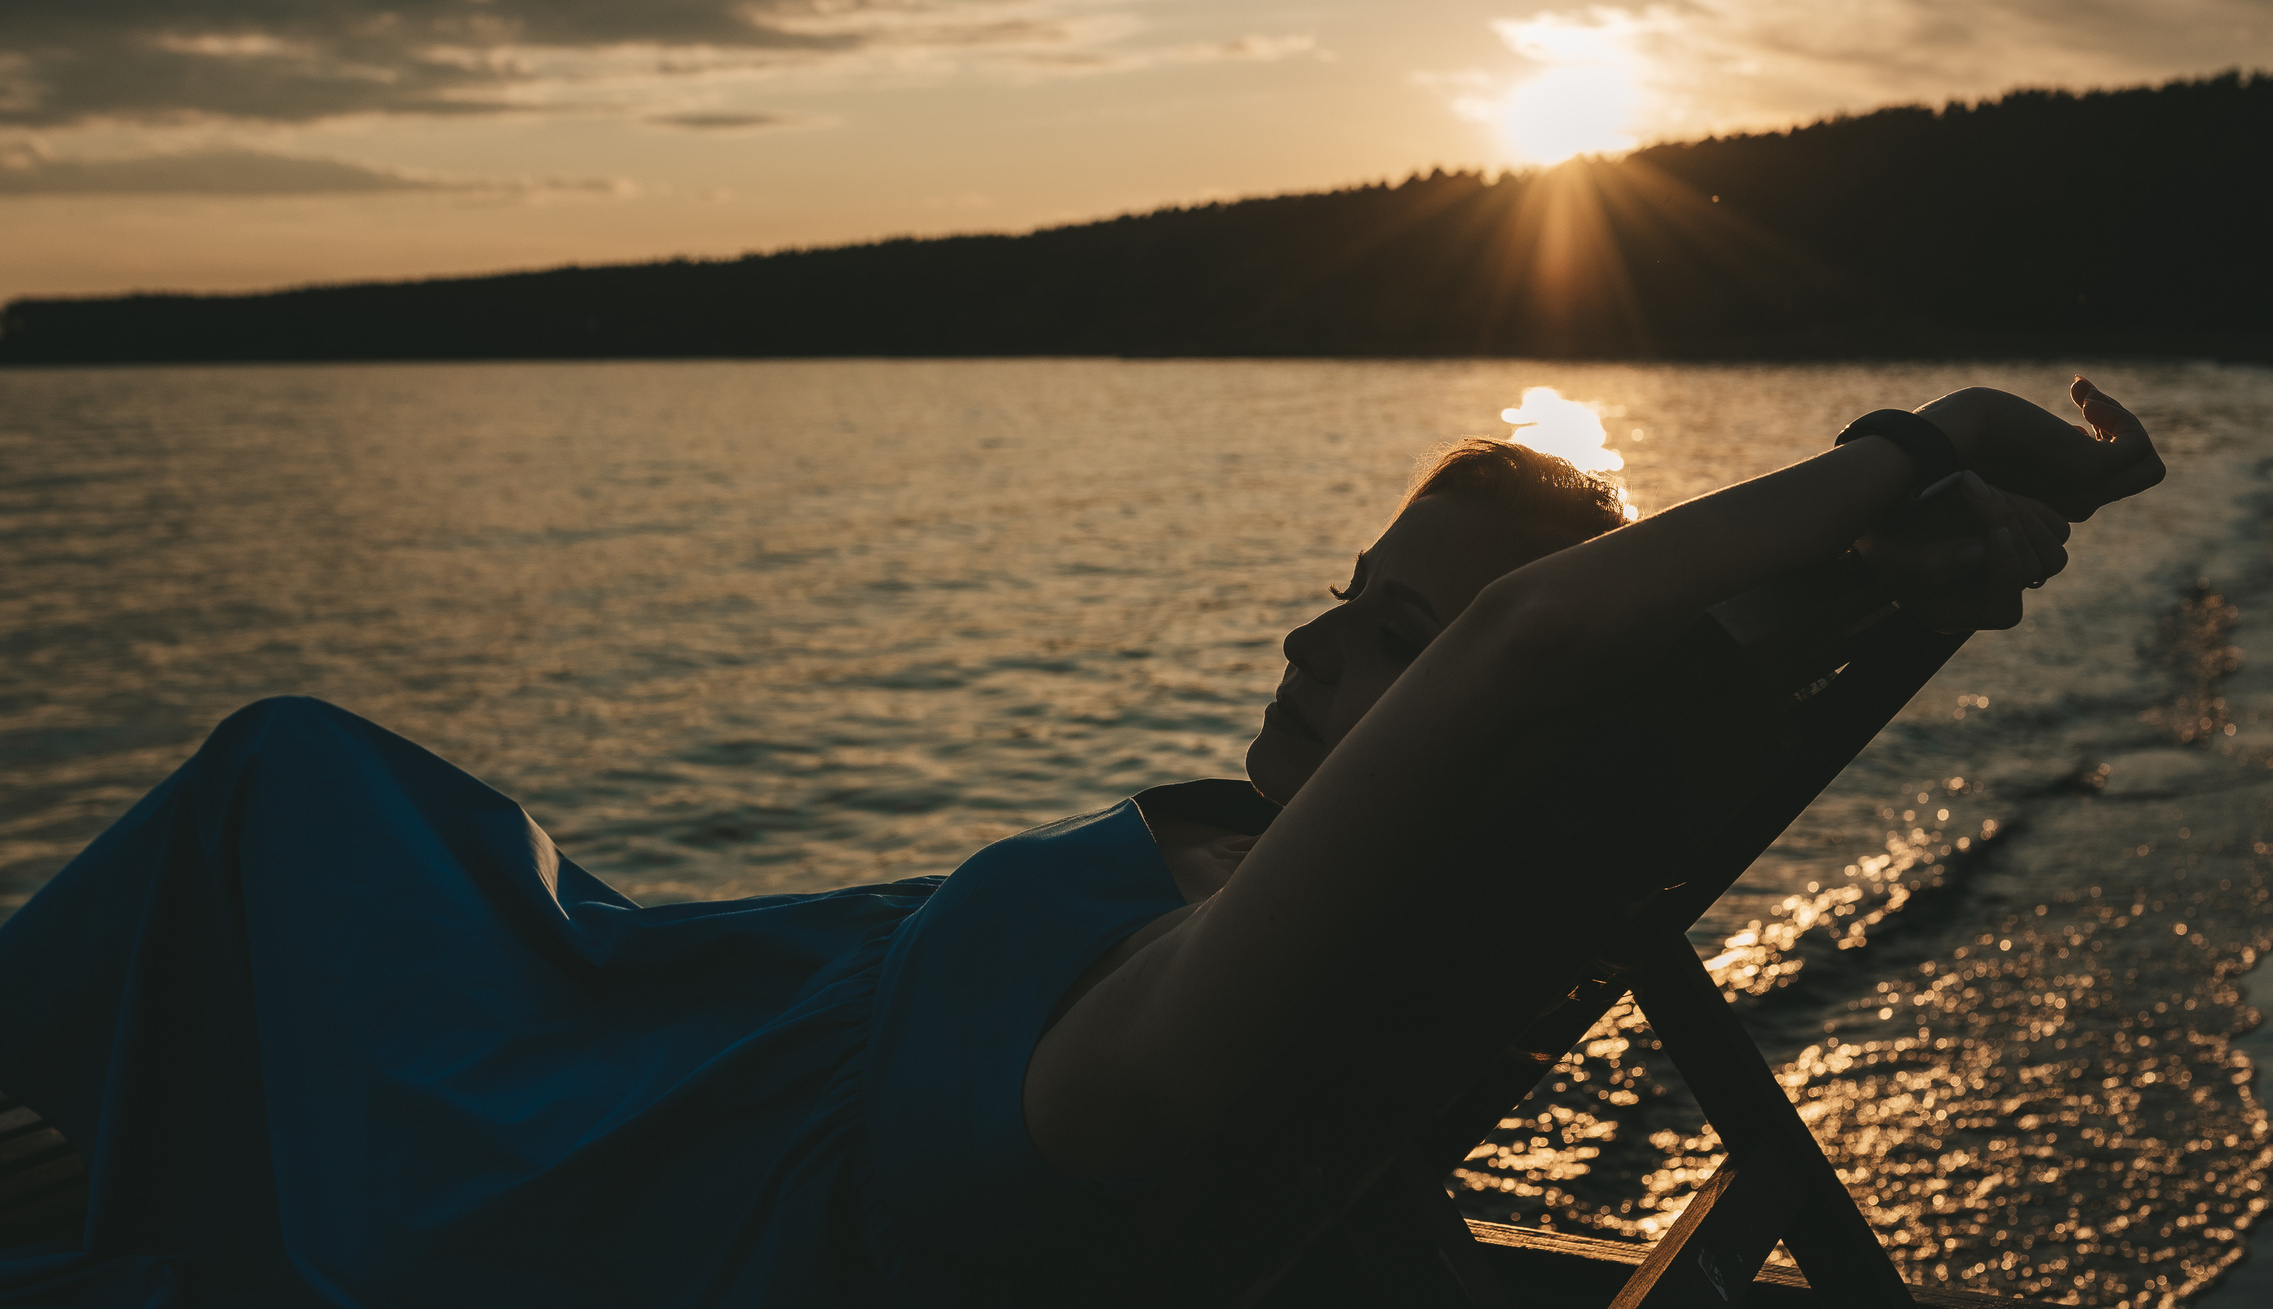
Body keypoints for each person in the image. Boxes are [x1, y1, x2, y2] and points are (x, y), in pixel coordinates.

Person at [0, 379, 2160, 1309]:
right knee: (335, 811)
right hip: (690, 1017)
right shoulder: (1317, 913)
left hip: (647, 1146)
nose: (1318, 647)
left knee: (287, 790)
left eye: (1389, 642)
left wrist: (1911, 453)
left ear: (1476, 711)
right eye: (1344, 593)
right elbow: (1541, 671)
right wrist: (1891, 549)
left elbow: (1525, 657)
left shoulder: (1170, 1043)